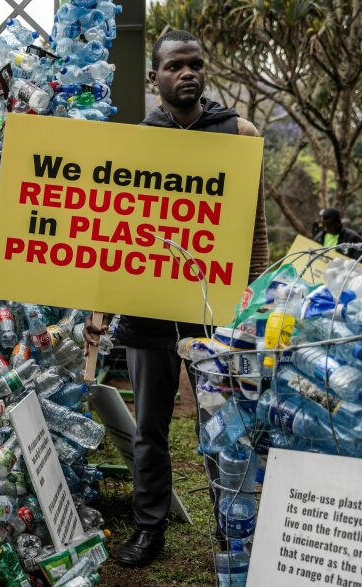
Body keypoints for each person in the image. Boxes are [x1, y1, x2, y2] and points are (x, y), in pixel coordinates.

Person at [84, 30, 269, 568]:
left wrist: (253, 299)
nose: (187, 74)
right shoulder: (138, 141)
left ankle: (230, 527)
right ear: (154, 78)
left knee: (225, 426)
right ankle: (149, 530)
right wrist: (101, 309)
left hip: (214, 312)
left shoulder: (239, 133)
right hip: (146, 309)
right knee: (150, 430)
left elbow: (253, 229)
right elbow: (117, 233)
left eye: (195, 65)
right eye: (175, 67)